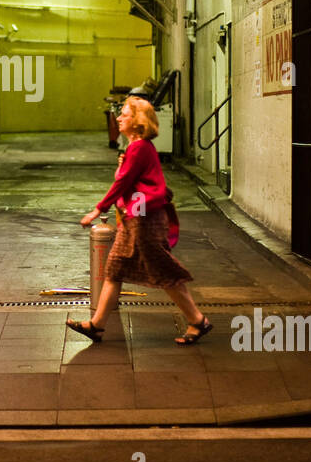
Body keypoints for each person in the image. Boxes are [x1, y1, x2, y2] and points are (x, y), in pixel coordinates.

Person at [68, 96, 209, 344]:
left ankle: (198, 320)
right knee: (114, 268)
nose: (119, 118)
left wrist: (97, 209)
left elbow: (122, 183)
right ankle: (97, 325)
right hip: (134, 218)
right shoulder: (137, 148)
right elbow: (128, 180)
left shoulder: (140, 147)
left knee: (163, 270)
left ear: (137, 120)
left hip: (144, 220)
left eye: (124, 114)